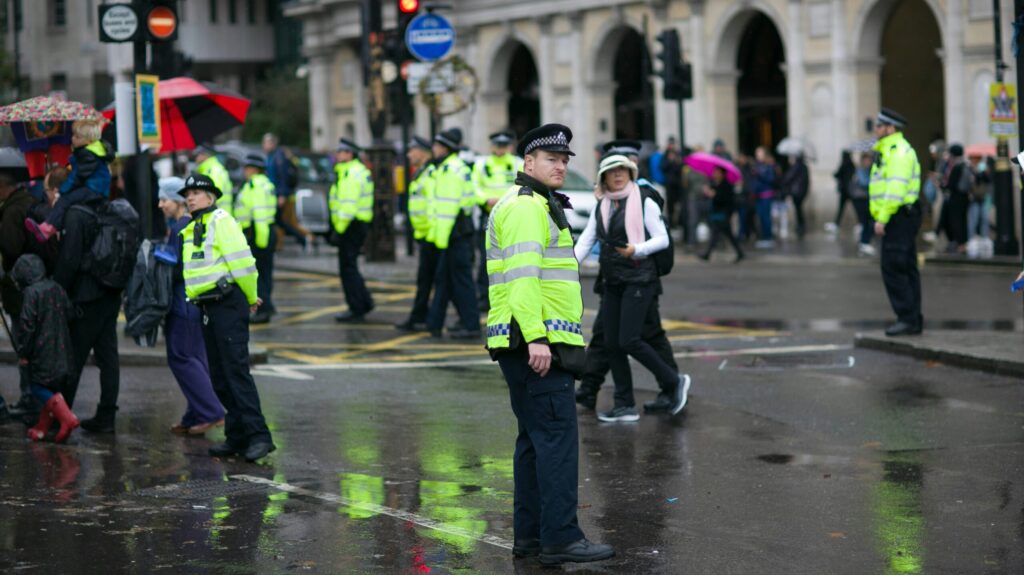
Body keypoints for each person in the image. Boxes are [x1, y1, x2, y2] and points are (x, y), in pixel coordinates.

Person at [485, 123, 614, 565]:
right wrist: (537, 338)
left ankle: (533, 538)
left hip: (525, 341)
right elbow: (523, 279)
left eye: (564, 160)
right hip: (536, 343)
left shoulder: (533, 203)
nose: (560, 165)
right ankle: (561, 538)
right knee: (556, 440)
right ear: (528, 163)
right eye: (551, 159)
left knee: (534, 442)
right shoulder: (526, 208)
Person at [575, 154, 688, 423]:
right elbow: (585, 241)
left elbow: (662, 239)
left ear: (630, 172)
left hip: (640, 279)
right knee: (612, 345)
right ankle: (624, 404)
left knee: (629, 340)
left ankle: (673, 381)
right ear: (604, 178)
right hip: (613, 280)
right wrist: (564, 268)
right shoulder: (601, 206)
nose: (618, 175)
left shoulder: (644, 200)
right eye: (612, 172)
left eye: (622, 170)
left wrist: (637, 249)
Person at [178, 174, 275, 462]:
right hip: (207, 307)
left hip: (227, 304)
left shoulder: (222, 221)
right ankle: (237, 436)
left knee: (236, 373)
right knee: (219, 377)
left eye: (197, 192)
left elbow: (244, 264)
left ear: (211, 197)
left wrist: (249, 297)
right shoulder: (194, 226)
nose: (191, 197)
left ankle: (259, 436)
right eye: (188, 193)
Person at [55, 177, 126, 433]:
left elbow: (70, 259)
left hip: (86, 296)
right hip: (110, 293)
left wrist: (58, 289)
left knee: (74, 358)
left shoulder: (76, 214)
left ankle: (61, 417)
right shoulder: (107, 208)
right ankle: (106, 416)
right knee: (108, 358)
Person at [157, 178, 225, 435]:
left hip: (182, 303)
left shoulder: (180, 228)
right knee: (195, 357)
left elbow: (177, 269)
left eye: (165, 199)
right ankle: (195, 414)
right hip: (196, 303)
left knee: (181, 357)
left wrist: (158, 259)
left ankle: (211, 411)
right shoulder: (193, 224)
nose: (161, 204)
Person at [14, 254, 79, 442]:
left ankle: (67, 417)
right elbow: (69, 312)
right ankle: (42, 428)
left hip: (42, 352)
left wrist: (23, 352)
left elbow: (27, 326)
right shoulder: (56, 287)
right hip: (62, 349)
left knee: (36, 387)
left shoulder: (31, 293)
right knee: (51, 388)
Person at [870, 108, 923, 337]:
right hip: (901, 215)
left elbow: (895, 189)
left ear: (890, 128)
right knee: (906, 267)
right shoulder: (889, 151)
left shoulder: (897, 152)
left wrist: (882, 218)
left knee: (894, 269)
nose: (876, 130)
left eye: (879, 126)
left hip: (898, 216)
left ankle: (907, 318)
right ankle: (912, 319)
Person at [426, 128, 480, 339]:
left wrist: (439, 239)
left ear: (444, 148)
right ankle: (435, 323)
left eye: (437, 146)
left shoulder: (450, 169)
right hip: (456, 232)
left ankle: (471, 325)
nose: (434, 149)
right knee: (445, 279)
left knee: (461, 280)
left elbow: (448, 209)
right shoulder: (452, 167)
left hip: (454, 233)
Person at [25, 119, 111, 243]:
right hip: (94, 188)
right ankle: (50, 226)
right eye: (73, 135)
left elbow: (77, 176)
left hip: (94, 189)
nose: (72, 139)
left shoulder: (87, 155)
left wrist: (63, 190)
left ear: (89, 140)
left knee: (65, 200)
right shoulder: (90, 152)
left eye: (77, 136)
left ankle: (48, 228)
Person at [0, 161, 40, 419]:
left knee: (23, 343)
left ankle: (29, 397)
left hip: (17, 287)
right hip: (32, 283)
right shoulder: (29, 202)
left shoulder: (12, 211)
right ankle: (33, 396)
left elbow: (11, 248)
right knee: (31, 341)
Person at [473, 131, 521, 309]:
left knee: (509, 258)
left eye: (504, 145)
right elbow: (475, 187)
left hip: (510, 216)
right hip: (488, 215)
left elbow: (521, 186)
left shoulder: (517, 163)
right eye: (498, 145)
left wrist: (502, 201)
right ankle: (485, 298)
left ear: (510, 146)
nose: (501, 149)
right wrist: (485, 200)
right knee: (487, 259)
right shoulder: (482, 164)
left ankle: (508, 296)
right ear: (492, 146)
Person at [329, 138, 376, 323]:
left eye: (341, 152)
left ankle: (356, 307)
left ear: (349, 154)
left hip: (350, 226)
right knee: (351, 267)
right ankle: (364, 302)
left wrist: (338, 231)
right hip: (356, 225)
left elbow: (348, 207)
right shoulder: (355, 171)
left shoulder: (351, 173)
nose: (337, 155)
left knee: (348, 269)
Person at [396, 136, 438, 332]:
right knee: (428, 280)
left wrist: (430, 233)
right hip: (424, 235)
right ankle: (422, 317)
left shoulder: (431, 173)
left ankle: (426, 318)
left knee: (436, 280)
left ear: (422, 152)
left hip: (432, 236)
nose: (408, 154)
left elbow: (433, 206)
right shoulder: (421, 172)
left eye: (412, 150)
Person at [236, 154, 278, 324]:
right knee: (265, 274)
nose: (244, 171)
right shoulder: (265, 184)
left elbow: (259, 215)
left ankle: (264, 309)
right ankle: (267, 306)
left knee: (258, 275)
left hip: (258, 233)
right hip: (264, 232)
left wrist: (261, 242)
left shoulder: (256, 185)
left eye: (246, 168)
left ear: (254, 169)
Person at [264, 133, 313, 250]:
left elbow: (282, 177)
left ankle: (306, 238)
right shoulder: (271, 156)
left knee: (285, 222)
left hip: (282, 195)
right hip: (275, 194)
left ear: (272, 144)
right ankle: (299, 240)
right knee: (281, 221)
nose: (264, 145)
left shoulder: (278, 157)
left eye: (266, 142)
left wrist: (282, 195)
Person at [699, 166, 744, 262]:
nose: (715, 174)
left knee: (718, 233)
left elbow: (724, 199)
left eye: (717, 172)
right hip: (717, 213)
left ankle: (707, 254)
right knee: (727, 234)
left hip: (724, 213)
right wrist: (707, 192)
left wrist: (713, 194)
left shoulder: (726, 185)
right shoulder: (715, 184)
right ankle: (740, 252)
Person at [940, 144, 971, 254]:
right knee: (962, 221)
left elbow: (950, 184)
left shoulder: (956, 167)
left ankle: (959, 244)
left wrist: (940, 184)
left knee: (956, 222)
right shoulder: (965, 165)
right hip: (964, 197)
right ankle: (962, 244)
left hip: (956, 198)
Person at [194, 145, 234, 216]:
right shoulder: (210, 169)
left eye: (197, 155)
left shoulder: (213, 171)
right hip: (219, 215)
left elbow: (213, 196)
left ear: (204, 155)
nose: (195, 158)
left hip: (217, 216)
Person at [752, 147, 778, 248]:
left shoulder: (769, 166)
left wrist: (760, 174)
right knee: (761, 217)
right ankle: (763, 237)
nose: (757, 155)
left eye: (759, 153)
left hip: (766, 194)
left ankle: (768, 237)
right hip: (758, 195)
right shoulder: (757, 166)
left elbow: (771, 179)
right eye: (757, 153)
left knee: (766, 217)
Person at [780, 153, 810, 239]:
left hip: (796, 192)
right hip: (802, 192)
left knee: (798, 209)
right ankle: (801, 225)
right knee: (799, 209)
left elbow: (788, 178)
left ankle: (800, 225)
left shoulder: (796, 166)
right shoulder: (804, 167)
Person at [852, 153, 876, 255]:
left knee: (867, 221)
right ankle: (864, 242)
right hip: (860, 199)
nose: (868, 162)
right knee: (866, 221)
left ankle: (864, 241)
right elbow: (864, 183)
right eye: (866, 160)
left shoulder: (869, 170)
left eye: (869, 160)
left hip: (867, 198)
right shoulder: (860, 170)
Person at [827, 151, 855, 234]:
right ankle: (860, 223)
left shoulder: (844, 164)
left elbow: (837, 174)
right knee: (853, 208)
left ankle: (836, 223)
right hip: (849, 189)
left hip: (844, 190)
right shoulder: (851, 165)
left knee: (841, 208)